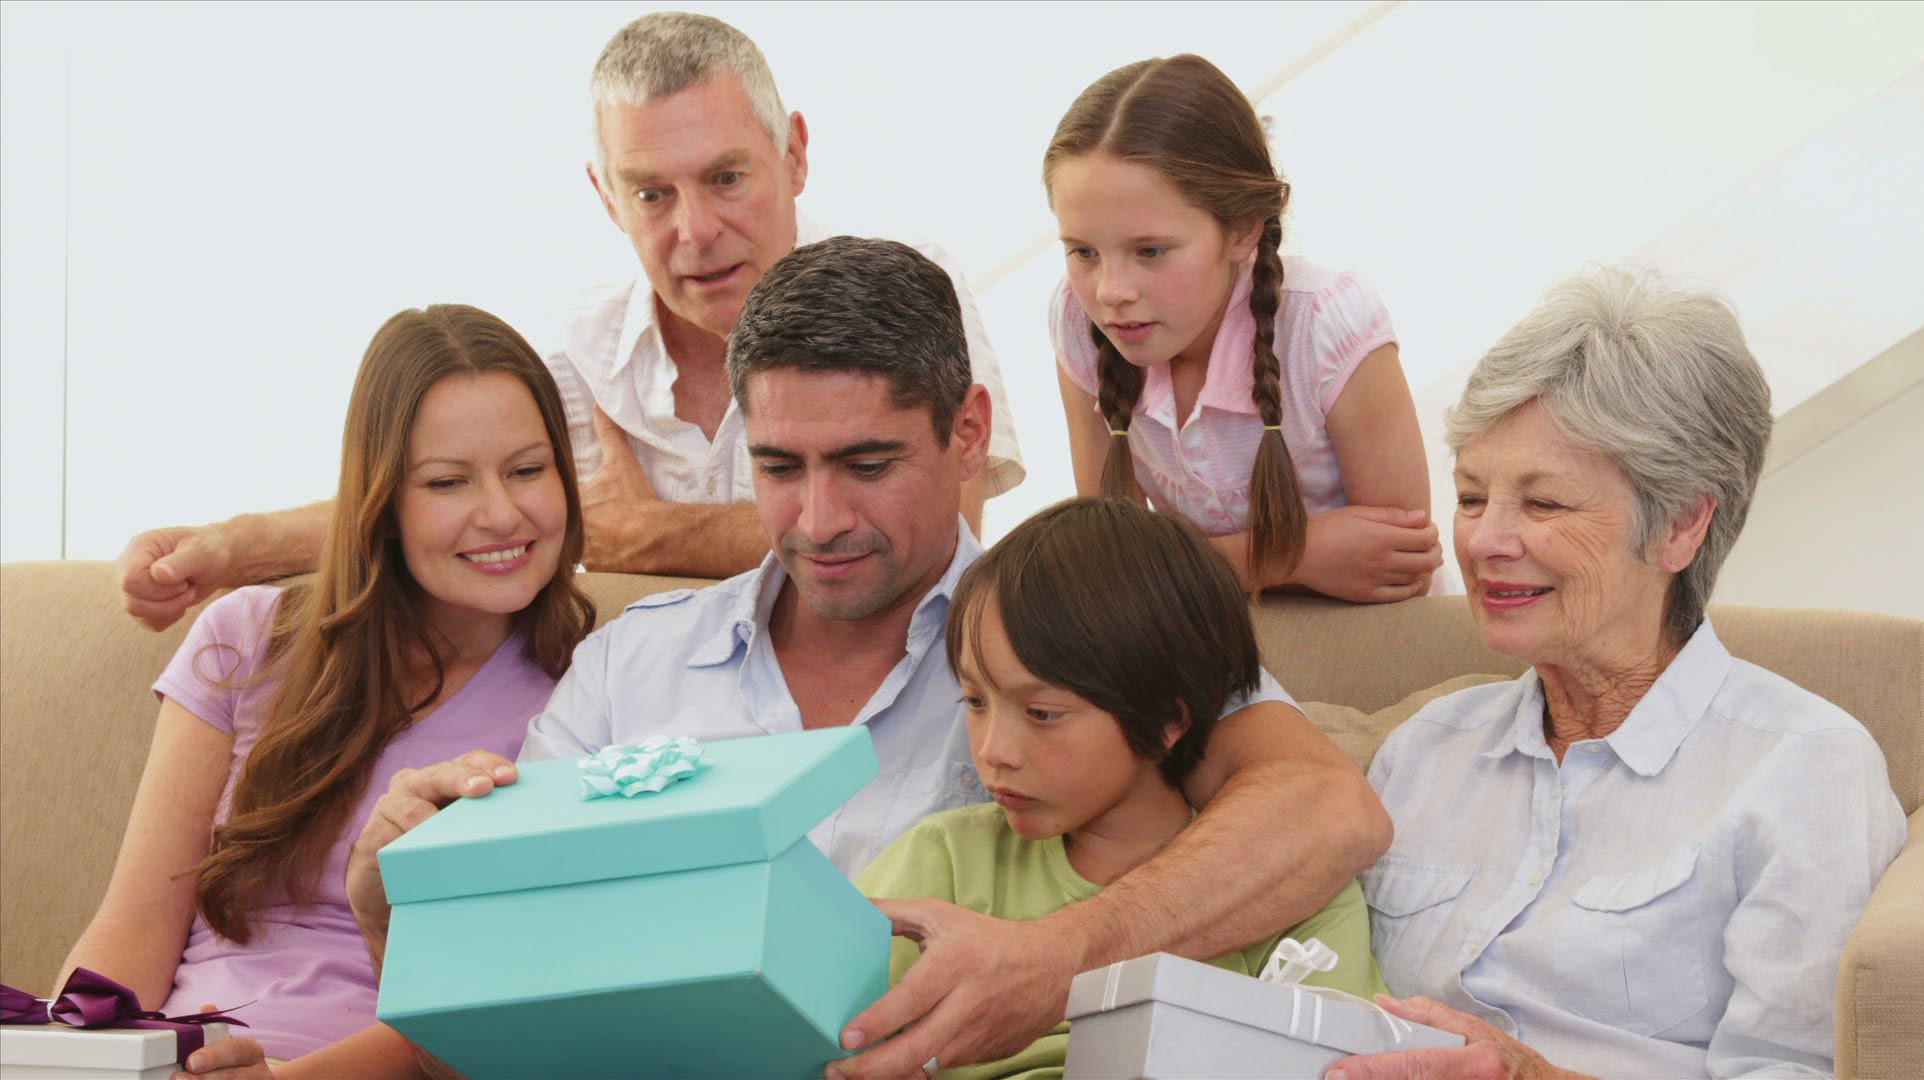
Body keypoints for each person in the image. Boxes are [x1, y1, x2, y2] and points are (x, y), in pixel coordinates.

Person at [341, 237, 1388, 1080]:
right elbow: (493, 1042)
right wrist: (402, 926)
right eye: (778, 468)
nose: (818, 519)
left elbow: (1326, 810)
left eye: (866, 463)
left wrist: (1054, 958)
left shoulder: (1079, 631)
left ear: (969, 431)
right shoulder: (630, 666)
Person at [113, 11, 1023, 630]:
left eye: (726, 178)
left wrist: (641, 534)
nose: (695, 230)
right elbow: (422, 507)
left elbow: (933, 531)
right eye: (651, 193)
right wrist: (228, 547)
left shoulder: (909, 285)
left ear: (794, 154)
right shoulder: (574, 359)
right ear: (605, 195)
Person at [1324, 267, 1908, 1080]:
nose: (1484, 541)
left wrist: (1531, 1078)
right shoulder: (1424, 751)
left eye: (1543, 505)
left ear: (1680, 525)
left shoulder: (1804, 768)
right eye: (1471, 497)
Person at [62, 306, 595, 1077]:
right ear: (383, 501)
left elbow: (493, 1011)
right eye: (448, 481)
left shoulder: (589, 695)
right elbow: (134, 928)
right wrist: (68, 1060)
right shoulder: (245, 638)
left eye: (527, 470)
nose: (502, 514)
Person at [857, 496, 1385, 1080]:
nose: (993, 750)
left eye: (1042, 713)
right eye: (976, 701)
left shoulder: (1293, 889)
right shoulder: (943, 860)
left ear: (1167, 721)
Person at [1046, 54, 1437, 603]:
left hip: (1367, 642)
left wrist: (1177, 568)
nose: (1111, 291)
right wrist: (1288, 556)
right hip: (1210, 641)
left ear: (1243, 229)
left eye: (1150, 250)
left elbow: (1403, 568)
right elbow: (1114, 576)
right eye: (1084, 252)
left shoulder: (1326, 323)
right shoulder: (1077, 319)